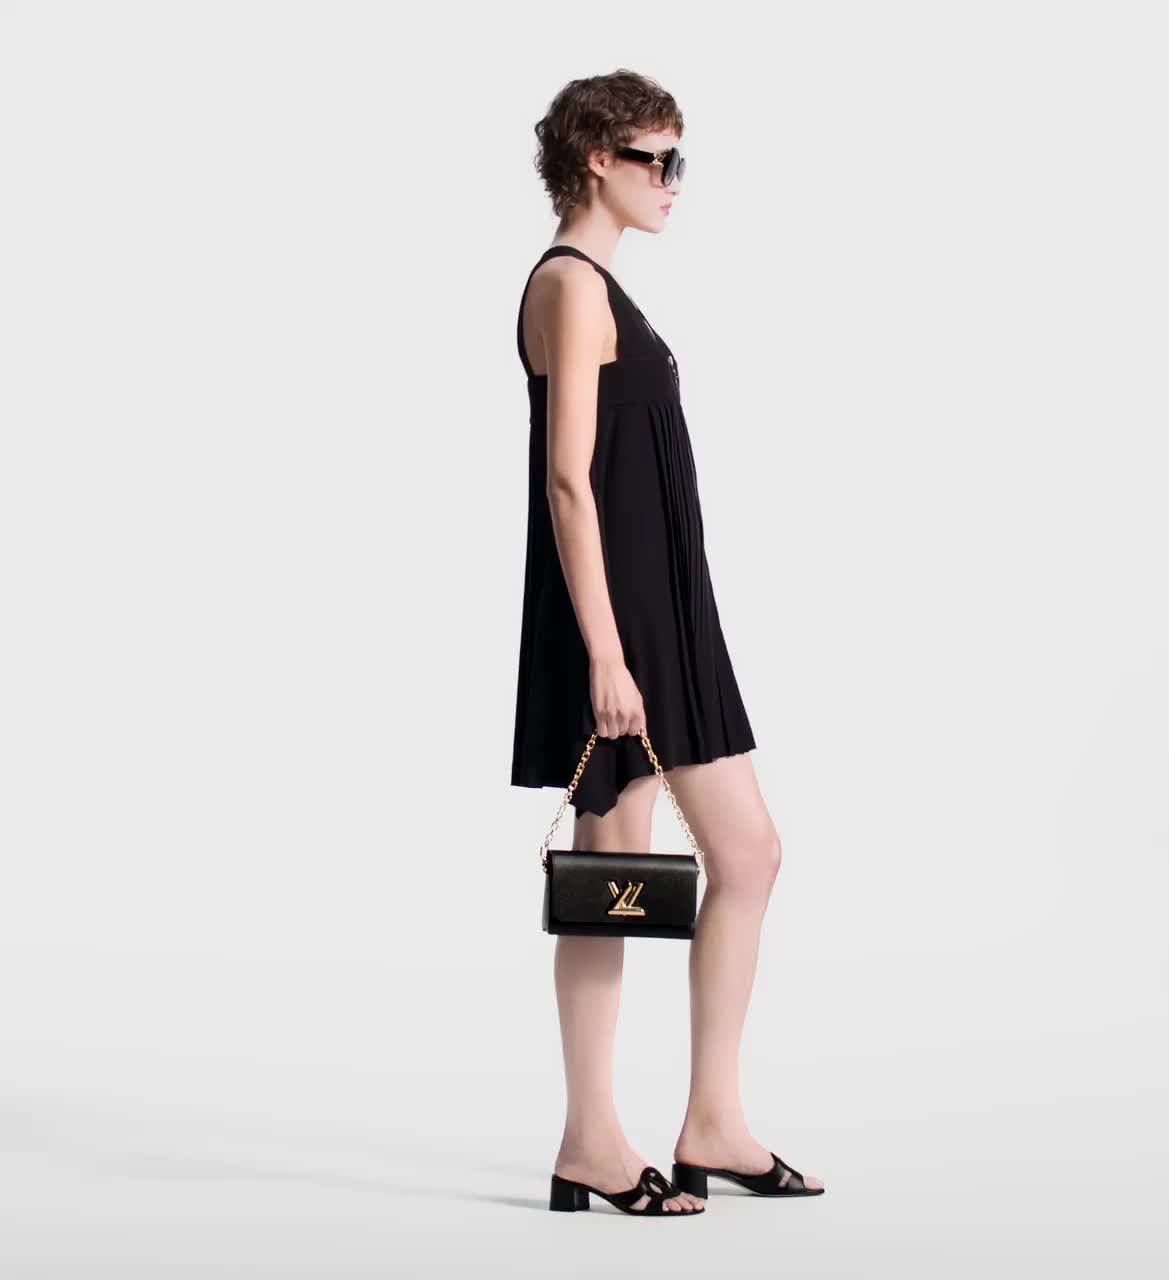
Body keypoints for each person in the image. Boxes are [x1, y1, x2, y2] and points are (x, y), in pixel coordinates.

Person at [511, 69, 825, 1217]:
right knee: (609, 883)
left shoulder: (602, 289)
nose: (673, 181)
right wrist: (605, 653)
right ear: (597, 158)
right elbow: (567, 481)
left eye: (677, 159)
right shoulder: (568, 285)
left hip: (670, 616)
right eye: (658, 158)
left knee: (748, 856)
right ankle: (590, 1142)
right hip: (617, 624)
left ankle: (713, 1121)